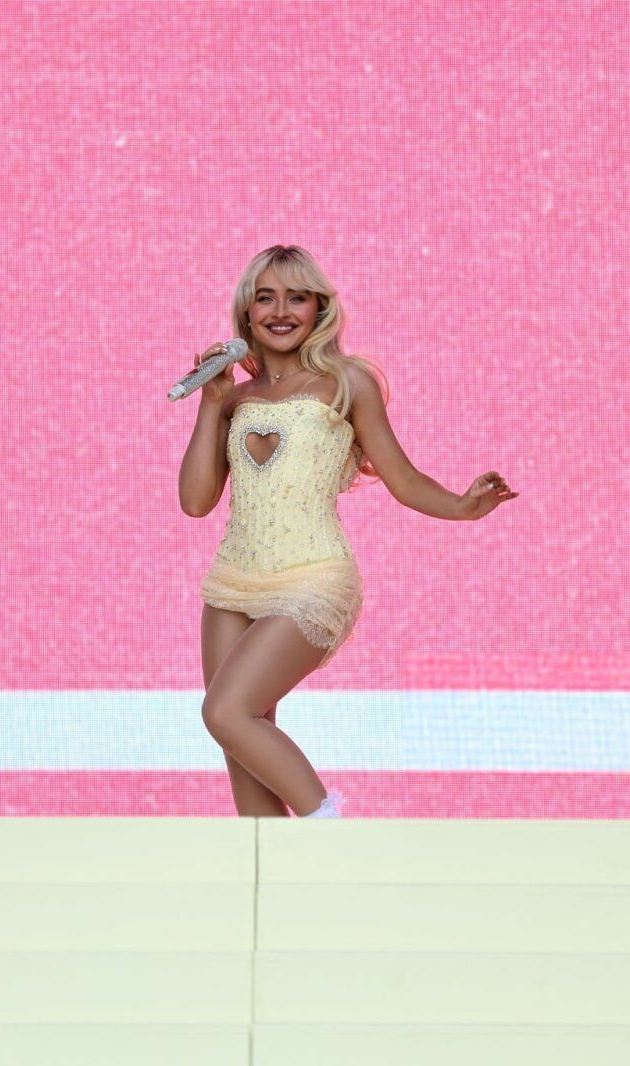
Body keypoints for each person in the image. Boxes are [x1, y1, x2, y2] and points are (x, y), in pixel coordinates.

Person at [179, 245, 514, 818]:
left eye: (297, 297)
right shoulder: (233, 399)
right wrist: (210, 404)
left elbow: (403, 479)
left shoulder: (347, 382)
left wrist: (462, 507)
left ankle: (332, 833)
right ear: (246, 312)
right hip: (232, 582)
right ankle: (278, 871)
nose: (280, 311)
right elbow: (194, 502)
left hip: (313, 576)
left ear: (319, 308)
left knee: (226, 711)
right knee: (240, 742)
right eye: (266, 297)